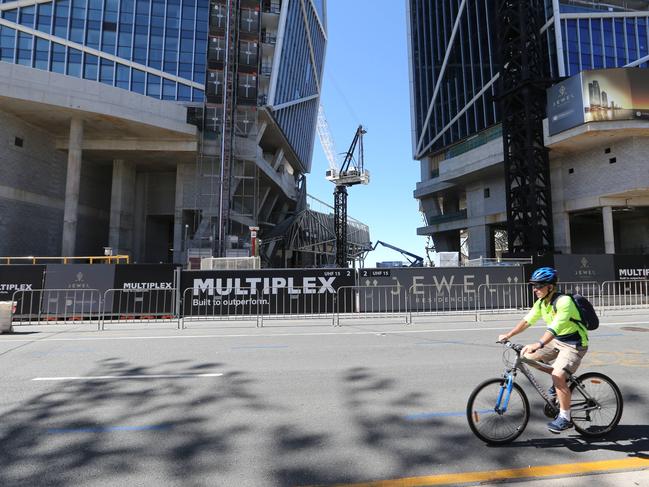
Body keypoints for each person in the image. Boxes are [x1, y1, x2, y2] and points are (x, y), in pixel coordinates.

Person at [498, 266, 589, 433]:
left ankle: (565, 417)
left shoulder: (564, 302)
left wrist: (538, 344)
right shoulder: (541, 303)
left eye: (539, 286)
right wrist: (509, 334)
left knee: (557, 375)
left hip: (574, 344)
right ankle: (560, 383)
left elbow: (555, 327)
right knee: (527, 356)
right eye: (534, 286)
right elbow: (527, 321)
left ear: (551, 287)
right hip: (557, 342)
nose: (535, 289)